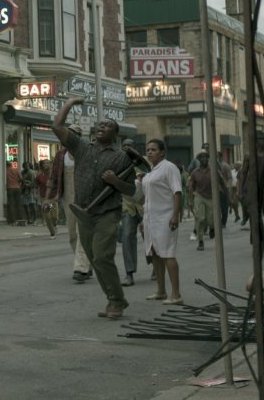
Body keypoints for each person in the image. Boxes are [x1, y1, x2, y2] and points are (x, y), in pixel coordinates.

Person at [51, 97, 136, 320]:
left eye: (107, 125)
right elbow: (56, 126)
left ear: (116, 134)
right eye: (100, 124)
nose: (101, 126)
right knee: (93, 258)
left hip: (107, 214)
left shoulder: (121, 158)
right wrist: (69, 103)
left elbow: (131, 190)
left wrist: (116, 181)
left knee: (102, 257)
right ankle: (112, 299)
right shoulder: (81, 148)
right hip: (83, 213)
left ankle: (117, 301)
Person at [47, 125, 93, 283]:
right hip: (67, 197)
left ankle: (81, 268)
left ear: (79, 137)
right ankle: (86, 264)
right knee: (72, 235)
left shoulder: (85, 153)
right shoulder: (60, 155)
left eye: (73, 134)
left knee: (82, 233)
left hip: (84, 198)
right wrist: (48, 198)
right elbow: (53, 178)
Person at [141, 139, 184, 305]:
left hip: (165, 218)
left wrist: (175, 215)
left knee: (168, 254)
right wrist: (143, 218)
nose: (149, 152)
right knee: (155, 254)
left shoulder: (169, 168)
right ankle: (160, 290)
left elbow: (177, 192)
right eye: (148, 150)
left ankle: (176, 294)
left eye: (153, 149)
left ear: (162, 152)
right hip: (150, 218)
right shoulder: (150, 171)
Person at [120, 139, 148, 286]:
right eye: (124, 146)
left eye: (129, 146)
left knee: (149, 237)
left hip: (145, 205)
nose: (126, 149)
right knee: (127, 236)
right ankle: (129, 273)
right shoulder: (118, 164)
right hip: (128, 206)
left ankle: (156, 266)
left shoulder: (144, 164)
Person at [187, 151, 215, 250]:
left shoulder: (213, 170)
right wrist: (190, 201)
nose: (204, 159)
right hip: (199, 196)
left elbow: (221, 181)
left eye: (206, 157)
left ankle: (212, 228)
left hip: (211, 197)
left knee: (211, 219)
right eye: (202, 158)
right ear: (199, 160)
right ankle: (201, 241)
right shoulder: (195, 172)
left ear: (208, 159)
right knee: (200, 218)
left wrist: (226, 194)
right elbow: (191, 187)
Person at [36, 159, 57, 238]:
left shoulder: (54, 175)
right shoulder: (39, 176)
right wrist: (37, 195)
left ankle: (55, 225)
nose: (46, 165)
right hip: (44, 198)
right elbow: (36, 185)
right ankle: (52, 233)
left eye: (48, 163)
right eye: (44, 163)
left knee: (54, 217)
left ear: (51, 165)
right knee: (47, 217)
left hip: (53, 198)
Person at [5, 161, 24, 226]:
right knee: (19, 204)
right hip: (17, 188)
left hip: (10, 188)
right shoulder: (16, 170)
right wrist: (18, 182)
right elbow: (21, 179)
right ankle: (20, 220)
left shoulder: (5, 171)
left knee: (11, 205)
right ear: (11, 165)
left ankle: (13, 221)